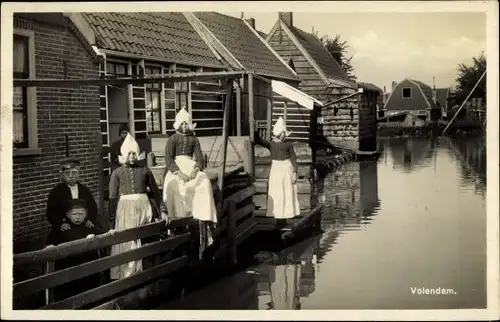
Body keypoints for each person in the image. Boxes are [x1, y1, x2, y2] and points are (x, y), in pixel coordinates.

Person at [108, 132, 170, 280]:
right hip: (125, 210)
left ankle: (146, 274)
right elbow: (112, 199)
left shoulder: (145, 171)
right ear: (124, 154)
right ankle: (126, 276)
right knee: (127, 241)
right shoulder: (116, 173)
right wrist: (111, 222)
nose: (131, 156)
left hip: (143, 208)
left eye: (134, 153)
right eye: (129, 153)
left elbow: (156, 192)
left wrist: (163, 211)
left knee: (145, 238)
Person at [162, 107, 217, 257]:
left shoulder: (194, 139)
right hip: (177, 167)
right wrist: (178, 172)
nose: (185, 127)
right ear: (178, 125)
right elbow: (168, 158)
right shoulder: (172, 139)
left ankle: (203, 213)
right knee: (172, 185)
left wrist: (196, 169)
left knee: (204, 181)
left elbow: (199, 158)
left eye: (187, 124)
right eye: (183, 124)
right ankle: (177, 218)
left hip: (190, 164)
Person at [45, 198, 114, 301]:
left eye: (81, 214)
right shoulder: (62, 228)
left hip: (88, 266)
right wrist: (51, 247)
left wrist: (106, 234)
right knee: (70, 291)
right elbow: (50, 242)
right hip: (68, 267)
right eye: (74, 214)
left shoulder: (88, 226)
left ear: (86, 214)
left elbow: (104, 232)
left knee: (89, 287)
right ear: (68, 215)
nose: (77, 217)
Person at [254, 117, 300, 229]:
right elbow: (260, 141)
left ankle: (285, 217)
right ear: (279, 133)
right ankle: (278, 218)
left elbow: (293, 158)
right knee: (277, 193)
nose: (285, 135)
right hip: (276, 170)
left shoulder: (288, 145)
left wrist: (295, 172)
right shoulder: (272, 144)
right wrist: (255, 131)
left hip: (286, 169)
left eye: (285, 133)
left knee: (286, 192)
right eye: (283, 133)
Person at [45, 157, 98, 243]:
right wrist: (60, 224)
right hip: (66, 226)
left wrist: (90, 219)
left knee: (92, 239)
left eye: (73, 173)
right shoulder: (56, 192)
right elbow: (51, 212)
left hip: (83, 224)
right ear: (62, 175)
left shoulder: (84, 190)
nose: (70, 176)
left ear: (78, 174)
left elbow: (93, 207)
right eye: (67, 173)